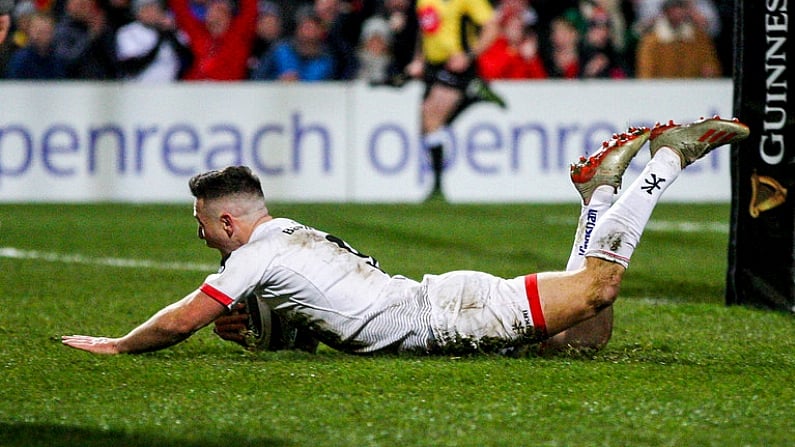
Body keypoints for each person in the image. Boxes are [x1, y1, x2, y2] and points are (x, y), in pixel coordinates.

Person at [62, 116, 750, 357]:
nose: (203, 241)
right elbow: (327, 318)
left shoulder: (257, 251)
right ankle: (598, 189)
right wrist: (270, 333)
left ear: (229, 222)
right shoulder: (290, 234)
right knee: (587, 333)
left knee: (599, 286)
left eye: (204, 228)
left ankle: (669, 159)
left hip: (448, 317)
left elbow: (186, 318)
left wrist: (119, 343)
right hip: (442, 309)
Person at [405, 0, 505, 201]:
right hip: (433, 67)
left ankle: (437, 186)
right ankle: (472, 97)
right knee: (426, 125)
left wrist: (468, 55)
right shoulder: (424, 1)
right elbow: (426, 31)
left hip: (455, 66)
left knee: (431, 118)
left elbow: (492, 27)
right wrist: (419, 60)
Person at [169, 0, 257, 81]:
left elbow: (250, 7)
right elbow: (180, 10)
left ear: (228, 16)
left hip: (229, 90)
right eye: (210, 9)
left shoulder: (240, 33)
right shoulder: (199, 33)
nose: (213, 13)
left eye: (219, 10)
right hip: (196, 89)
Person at [634, 0, 721, 78]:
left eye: (680, 10)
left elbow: (711, 66)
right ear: (666, 13)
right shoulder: (652, 41)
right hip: (661, 90)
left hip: (693, 89)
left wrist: (710, 72)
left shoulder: (699, 38)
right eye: (673, 10)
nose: (677, 14)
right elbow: (645, 73)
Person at [251, 6, 335, 82]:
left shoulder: (326, 59)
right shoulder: (280, 50)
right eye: (306, 27)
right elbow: (257, 77)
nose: (309, 32)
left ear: (321, 31)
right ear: (298, 29)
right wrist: (277, 80)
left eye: (314, 27)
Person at [115, 0, 192, 81]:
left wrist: (171, 35)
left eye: (154, 8)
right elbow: (133, 67)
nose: (151, 13)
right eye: (146, 9)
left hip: (170, 87)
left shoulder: (171, 31)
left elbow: (187, 60)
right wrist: (160, 39)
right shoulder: (128, 32)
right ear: (137, 13)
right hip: (139, 88)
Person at [53, 0, 119, 79]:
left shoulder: (101, 28)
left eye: (88, 5)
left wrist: (101, 34)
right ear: (69, 7)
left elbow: (113, 60)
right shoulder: (62, 30)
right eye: (81, 5)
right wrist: (90, 37)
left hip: (104, 82)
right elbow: (67, 60)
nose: (85, 9)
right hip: (75, 83)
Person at [5, 11, 66, 79]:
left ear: (52, 33)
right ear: (29, 31)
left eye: (46, 32)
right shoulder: (20, 59)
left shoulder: (58, 59)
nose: (40, 36)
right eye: (38, 31)